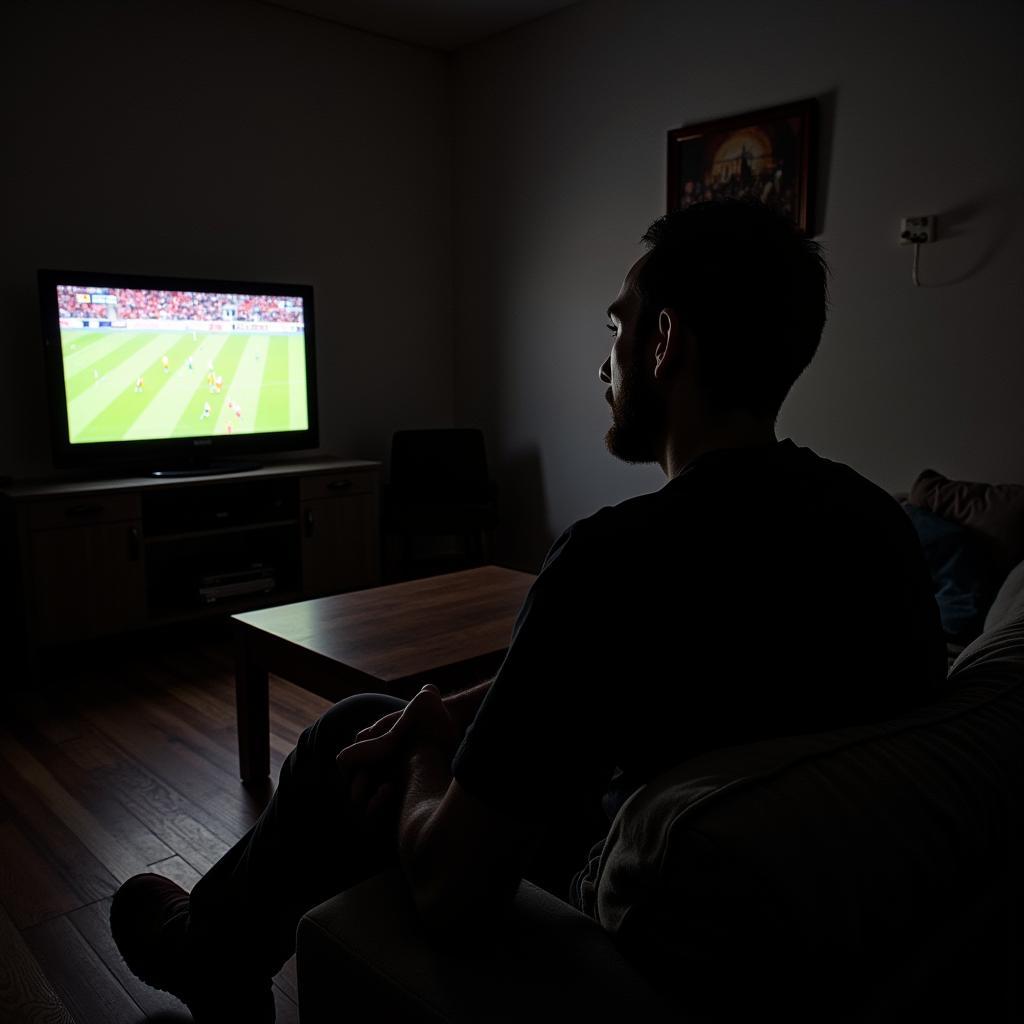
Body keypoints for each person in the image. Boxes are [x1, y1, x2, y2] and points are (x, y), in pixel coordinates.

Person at [109, 200, 947, 1022]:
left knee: (350, 736)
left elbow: (450, 892)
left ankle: (208, 954)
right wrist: (441, 713)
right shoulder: (878, 525)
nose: (604, 362)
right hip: (790, 897)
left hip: (630, 888)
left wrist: (425, 762)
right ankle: (217, 948)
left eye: (616, 330)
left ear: (665, 344)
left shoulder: (617, 558)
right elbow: (614, 688)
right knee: (381, 718)